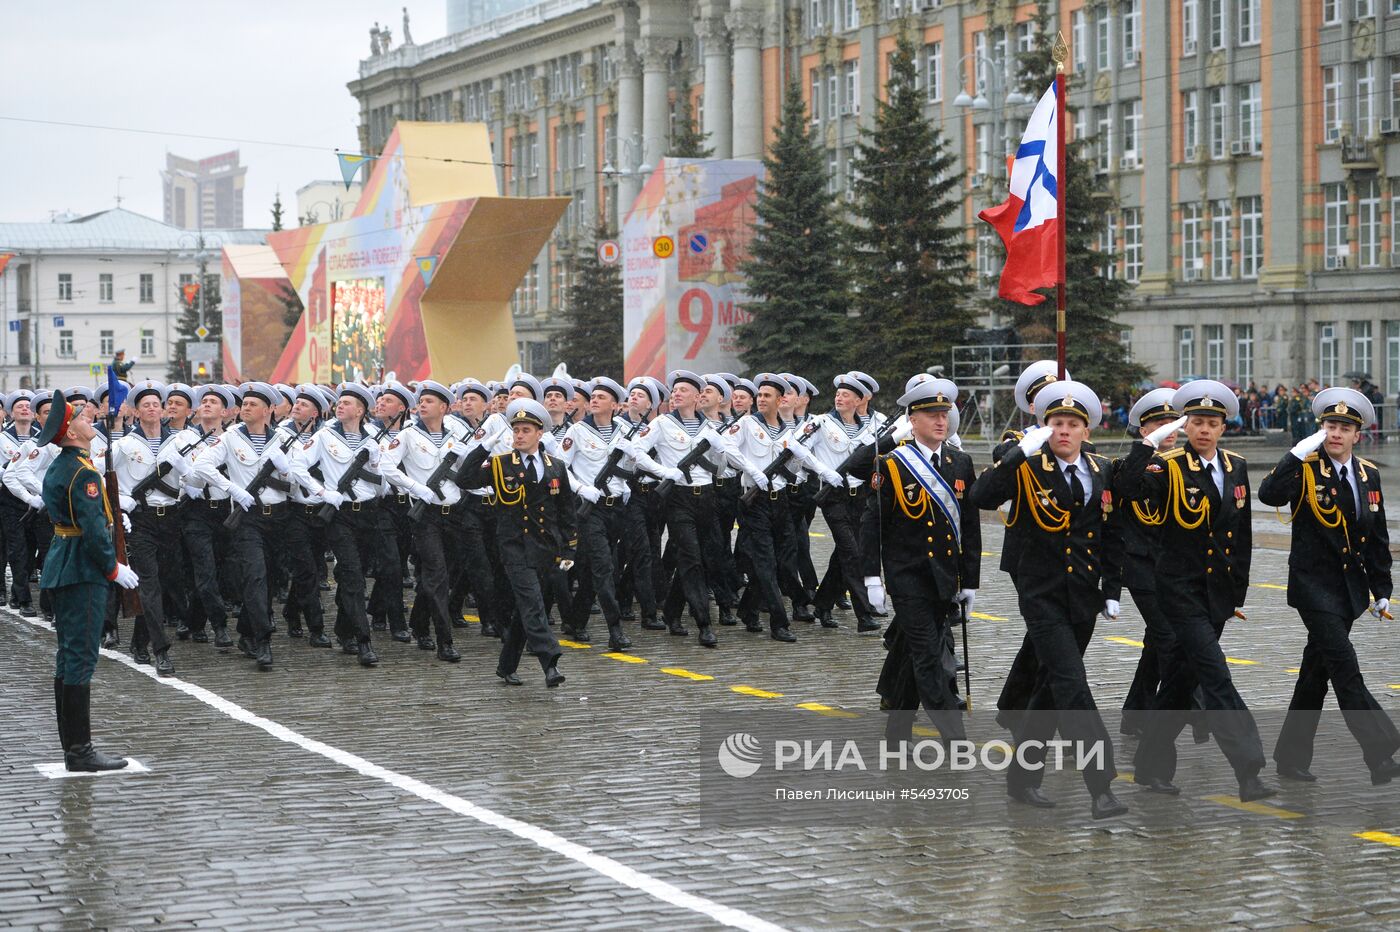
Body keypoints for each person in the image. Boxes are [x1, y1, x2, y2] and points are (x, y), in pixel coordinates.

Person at [970, 379, 1128, 819]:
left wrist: (1112, 590)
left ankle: (1021, 779)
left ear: (1086, 431)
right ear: (1045, 427)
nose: (1064, 430)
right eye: (1056, 422)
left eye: (1073, 424)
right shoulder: (1026, 467)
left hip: (1084, 597)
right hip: (1040, 595)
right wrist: (1019, 452)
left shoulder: (1101, 470)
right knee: (1073, 687)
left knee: (1049, 691)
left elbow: (1111, 535)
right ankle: (1103, 786)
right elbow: (981, 498)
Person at [1116, 379, 1275, 802]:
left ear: (1224, 427)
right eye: (1196, 422)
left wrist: (1237, 592)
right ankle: (1249, 769)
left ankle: (1149, 766)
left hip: (1216, 595)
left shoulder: (1235, 467)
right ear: (1185, 426)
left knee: (1179, 683)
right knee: (1217, 676)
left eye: (1212, 423)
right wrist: (1147, 444)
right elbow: (1125, 489)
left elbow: (1241, 536)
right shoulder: (1166, 466)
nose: (1204, 429)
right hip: (1179, 592)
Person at [1258, 387, 1400, 785]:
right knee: (1344, 667)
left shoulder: (1367, 474)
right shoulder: (1306, 468)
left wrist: (1382, 588)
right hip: (1312, 586)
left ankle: (1289, 757)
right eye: (1330, 425)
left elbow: (1375, 537)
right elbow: (1268, 494)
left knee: (1315, 675)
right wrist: (1295, 455)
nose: (1335, 433)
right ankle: (1380, 751)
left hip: (1348, 591)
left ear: (1358, 435)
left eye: (1344, 427)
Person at [859, 378, 979, 743]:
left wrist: (970, 581)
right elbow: (872, 525)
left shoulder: (960, 462)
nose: (941, 422)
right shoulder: (892, 464)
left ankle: (896, 730)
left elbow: (970, 527)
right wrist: (872, 578)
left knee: (912, 654)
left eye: (944, 414)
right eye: (931, 415)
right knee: (928, 656)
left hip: (944, 577)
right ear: (912, 420)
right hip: (907, 575)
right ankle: (954, 737)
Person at [37, 398, 141, 771]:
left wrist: (113, 519)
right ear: (70, 432)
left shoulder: (66, 466)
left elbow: (90, 519)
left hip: (64, 563)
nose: (90, 418)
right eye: (82, 417)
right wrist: (114, 568)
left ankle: (73, 747)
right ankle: (80, 752)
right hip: (82, 570)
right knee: (81, 657)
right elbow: (93, 531)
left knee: (68, 657)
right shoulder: (83, 473)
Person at [467, 398, 574, 688]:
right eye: (516, 430)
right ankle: (550, 661)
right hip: (513, 547)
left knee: (525, 610)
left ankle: (506, 665)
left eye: (526, 430)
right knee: (533, 603)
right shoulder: (501, 464)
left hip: (544, 548)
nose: (520, 435)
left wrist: (569, 548)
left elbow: (566, 511)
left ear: (540, 434)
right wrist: (484, 446)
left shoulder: (555, 467)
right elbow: (465, 479)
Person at [111, 379, 190, 677]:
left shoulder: (181, 441)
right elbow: (101, 476)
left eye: (157, 404)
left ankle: (139, 641)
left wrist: (184, 469)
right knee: (149, 582)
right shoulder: (123, 445)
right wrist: (122, 501)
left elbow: (196, 481)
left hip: (171, 517)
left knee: (167, 581)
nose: (153, 409)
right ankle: (162, 651)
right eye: (146, 405)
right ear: (135, 411)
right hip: (141, 519)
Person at [1114, 388, 1179, 736]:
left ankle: (1136, 713)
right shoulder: (1131, 464)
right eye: (1158, 423)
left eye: (1172, 422)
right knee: (1169, 637)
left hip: (1173, 565)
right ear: (1143, 430)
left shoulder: (1185, 464)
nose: (1167, 428)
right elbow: (1127, 487)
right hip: (1139, 564)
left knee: (1158, 640)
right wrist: (1147, 449)